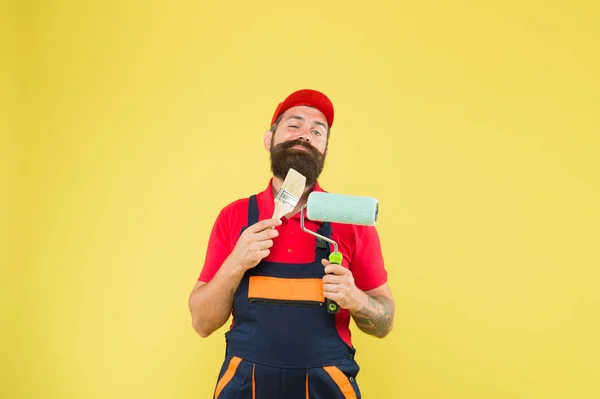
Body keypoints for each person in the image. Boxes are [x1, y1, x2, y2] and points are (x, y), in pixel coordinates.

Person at [188, 89, 395, 399]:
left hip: (329, 385)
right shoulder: (234, 217)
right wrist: (236, 263)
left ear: (325, 149)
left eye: (317, 131)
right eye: (294, 124)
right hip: (245, 386)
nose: (305, 136)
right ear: (269, 139)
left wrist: (355, 298)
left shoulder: (350, 222)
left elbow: (384, 322)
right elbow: (202, 323)